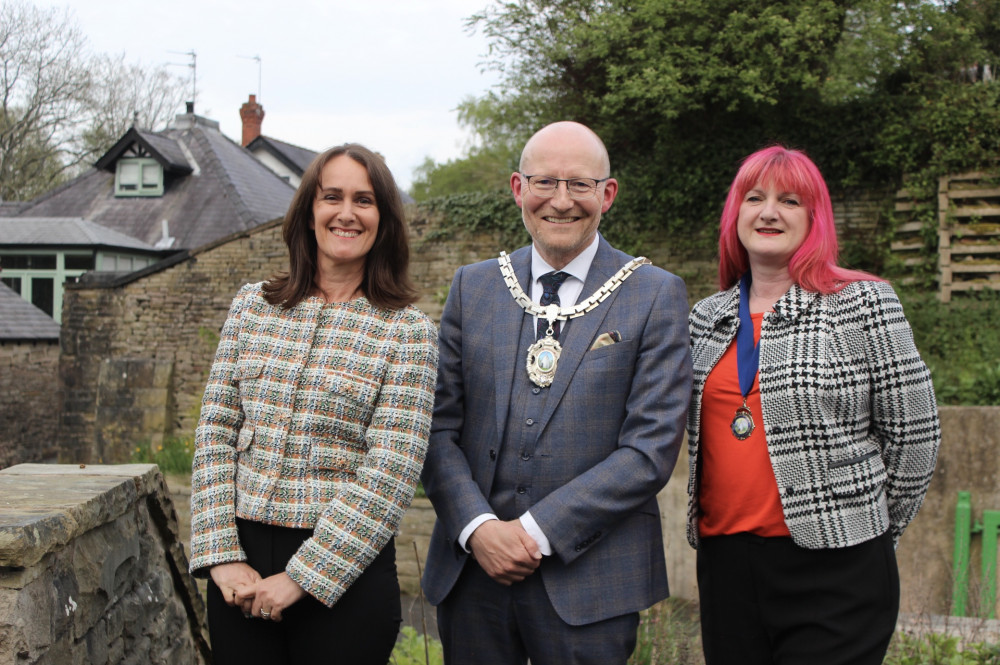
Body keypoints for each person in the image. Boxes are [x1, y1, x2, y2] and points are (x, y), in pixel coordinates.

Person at [420, 121, 693, 665]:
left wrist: (531, 532)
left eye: (580, 185)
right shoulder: (472, 287)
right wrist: (477, 529)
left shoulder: (654, 293)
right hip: (472, 581)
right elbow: (435, 426)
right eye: (545, 183)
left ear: (606, 195)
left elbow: (649, 451)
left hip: (590, 587)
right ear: (519, 189)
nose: (561, 202)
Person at [686, 145, 941, 665]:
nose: (769, 211)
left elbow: (915, 435)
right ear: (736, 214)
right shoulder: (704, 317)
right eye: (754, 197)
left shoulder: (863, 303)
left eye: (790, 200)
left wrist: (867, 530)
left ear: (815, 218)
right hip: (726, 564)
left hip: (837, 566)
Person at [188, 143, 438, 665]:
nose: (346, 213)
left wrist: (304, 577)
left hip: (346, 575)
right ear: (308, 212)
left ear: (383, 220)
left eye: (364, 200)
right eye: (332, 197)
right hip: (241, 567)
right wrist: (220, 558)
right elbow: (214, 434)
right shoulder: (253, 307)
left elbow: (390, 471)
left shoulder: (407, 332)